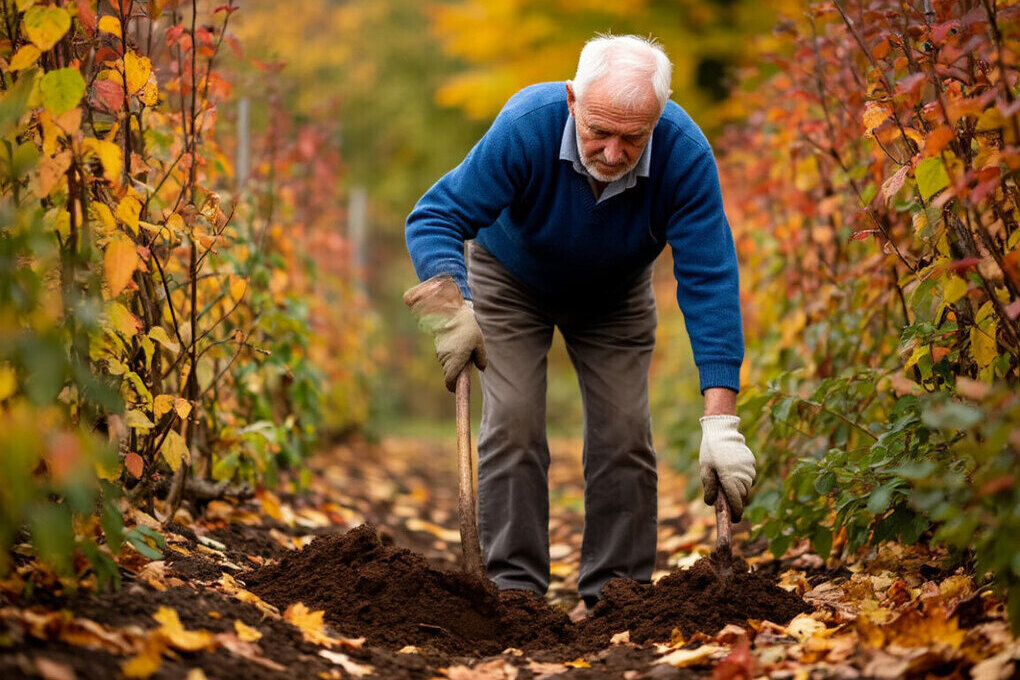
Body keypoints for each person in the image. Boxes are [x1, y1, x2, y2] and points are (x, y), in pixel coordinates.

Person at [403, 34, 756, 611]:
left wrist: (722, 422)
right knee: (512, 422)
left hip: (614, 295)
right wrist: (450, 312)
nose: (614, 153)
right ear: (572, 100)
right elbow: (435, 215)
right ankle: (514, 592)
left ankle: (618, 597)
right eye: (600, 131)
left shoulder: (684, 154)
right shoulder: (527, 124)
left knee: (624, 438)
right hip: (510, 280)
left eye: (633, 138)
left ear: (658, 120)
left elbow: (710, 280)